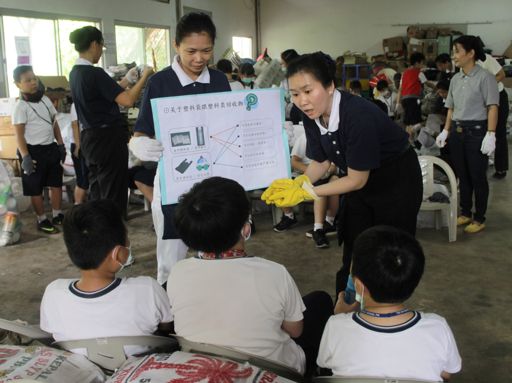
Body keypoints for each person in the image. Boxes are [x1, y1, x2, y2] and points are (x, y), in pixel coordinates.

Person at [262, 52, 423, 294]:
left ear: (329, 86)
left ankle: (385, 309)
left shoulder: (358, 115)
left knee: (391, 252)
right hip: (356, 180)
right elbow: (322, 161)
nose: (302, 101)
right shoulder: (312, 115)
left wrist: (307, 192)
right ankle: (347, 302)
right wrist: (298, 183)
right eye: (295, 94)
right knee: (355, 243)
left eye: (308, 91)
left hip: (396, 182)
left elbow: (357, 179)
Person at [168, 177, 333, 375]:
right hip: (272, 372)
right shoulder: (274, 273)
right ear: (245, 229)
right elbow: (295, 330)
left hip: (201, 366)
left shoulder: (178, 272)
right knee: (321, 301)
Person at [128, 12, 231, 286]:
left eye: (206, 50)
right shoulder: (160, 83)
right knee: (172, 253)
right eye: (191, 51)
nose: (199, 58)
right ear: (176, 46)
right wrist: (139, 143)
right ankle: (169, 311)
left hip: (213, 178)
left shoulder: (219, 81)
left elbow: (230, 124)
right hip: (175, 180)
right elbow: (142, 130)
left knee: (215, 249)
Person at [318, 226, 462, 381]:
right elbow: (446, 374)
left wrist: (342, 317)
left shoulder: (336, 326)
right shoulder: (438, 327)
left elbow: (325, 364)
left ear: (359, 286)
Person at [40, 200, 173, 355]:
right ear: (118, 254)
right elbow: (167, 328)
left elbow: (49, 335)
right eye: (127, 238)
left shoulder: (53, 293)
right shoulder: (148, 289)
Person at [69, 26, 154, 219]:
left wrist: (126, 80)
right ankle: (115, 240)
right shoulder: (95, 73)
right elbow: (128, 100)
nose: (101, 51)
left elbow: (104, 93)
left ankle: (100, 235)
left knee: (98, 191)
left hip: (90, 138)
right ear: (94, 44)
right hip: (107, 140)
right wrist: (145, 76)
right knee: (114, 194)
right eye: (101, 46)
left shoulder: (76, 73)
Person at [436, 35, 499, 233]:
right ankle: (465, 212)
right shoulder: (455, 78)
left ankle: (479, 217)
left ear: (471, 53)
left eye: (457, 51)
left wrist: (490, 133)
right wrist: (446, 130)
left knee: (477, 175)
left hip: (477, 132)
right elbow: (451, 108)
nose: (454, 56)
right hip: (458, 131)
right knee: (462, 175)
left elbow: (492, 107)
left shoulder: (485, 77)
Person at [12, 65, 66, 234]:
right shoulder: (20, 107)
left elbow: (54, 123)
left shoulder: (45, 100)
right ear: (18, 84)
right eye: (28, 80)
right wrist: (25, 157)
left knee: (56, 184)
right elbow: (19, 135)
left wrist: (60, 143)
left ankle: (57, 214)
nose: (33, 83)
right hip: (32, 151)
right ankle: (41, 219)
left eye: (34, 79)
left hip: (50, 148)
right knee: (35, 188)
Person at [274, 134, 339, 249]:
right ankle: (289, 216)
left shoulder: (332, 138)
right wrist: (309, 172)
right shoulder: (304, 138)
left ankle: (322, 226)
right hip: (304, 174)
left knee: (326, 184)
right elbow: (294, 161)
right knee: (279, 183)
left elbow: (333, 165)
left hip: (325, 176)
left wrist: (326, 171)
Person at [477, 51, 509, 179]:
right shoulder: (464, 64)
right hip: (481, 100)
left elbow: (501, 74)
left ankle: (501, 168)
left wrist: (486, 84)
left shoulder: (486, 59)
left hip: (497, 97)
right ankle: (481, 166)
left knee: (498, 133)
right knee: (481, 133)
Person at [396, 52, 428, 138]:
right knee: (416, 121)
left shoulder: (404, 73)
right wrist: (436, 88)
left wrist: (398, 103)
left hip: (404, 100)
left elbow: (400, 89)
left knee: (408, 121)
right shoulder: (419, 73)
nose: (423, 65)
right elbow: (427, 83)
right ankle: (414, 139)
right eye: (422, 63)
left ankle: (410, 140)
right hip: (414, 100)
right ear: (417, 63)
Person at [69, 103, 88, 204]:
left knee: (88, 178)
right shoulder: (76, 104)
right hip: (80, 144)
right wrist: (78, 145)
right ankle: (77, 206)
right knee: (82, 180)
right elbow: (74, 124)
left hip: (89, 143)